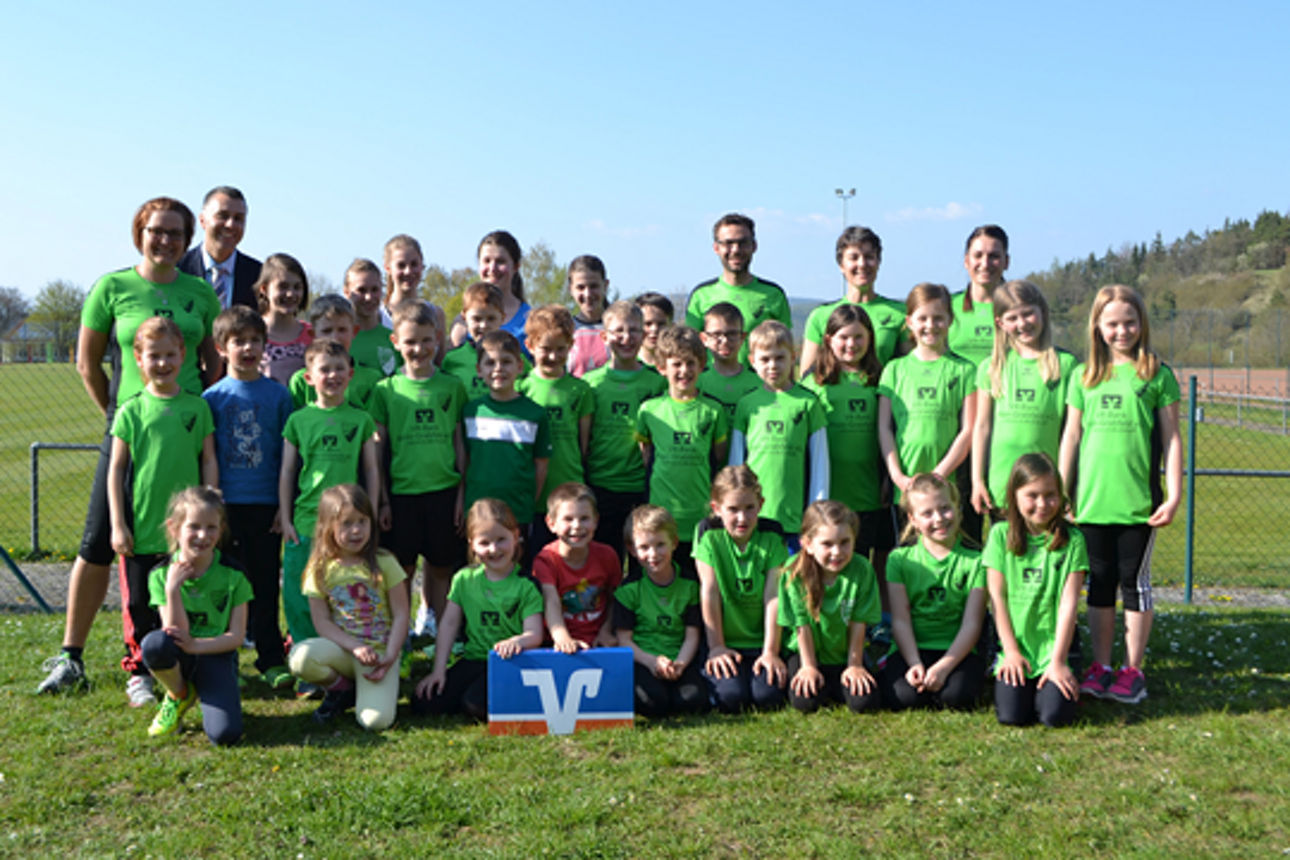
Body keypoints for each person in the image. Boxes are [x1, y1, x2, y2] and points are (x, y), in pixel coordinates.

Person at [38, 196, 221, 697]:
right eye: (156, 230)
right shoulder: (111, 287)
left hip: (183, 429)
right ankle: (71, 655)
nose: (165, 240)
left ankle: (182, 651)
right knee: (100, 542)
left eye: (176, 233)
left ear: (188, 241)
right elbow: (86, 363)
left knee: (186, 542)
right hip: (130, 429)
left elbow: (212, 363)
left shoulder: (200, 294)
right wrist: (116, 415)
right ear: (139, 232)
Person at [1059, 285, 1182, 705]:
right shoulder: (1083, 376)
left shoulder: (1157, 374)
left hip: (1138, 508)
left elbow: (1172, 440)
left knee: (1135, 585)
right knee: (1099, 586)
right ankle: (1101, 667)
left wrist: (1175, 494)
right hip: (1091, 505)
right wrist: (1062, 493)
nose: (1121, 330)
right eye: (1112, 323)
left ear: (1141, 323)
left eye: (1129, 322)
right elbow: (1071, 437)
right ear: (1097, 326)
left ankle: (1132, 670)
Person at [109, 317, 219, 706]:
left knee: (183, 600)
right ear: (138, 358)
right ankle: (140, 672)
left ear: (183, 355)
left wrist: (213, 501)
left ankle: (185, 666)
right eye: (153, 356)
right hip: (143, 530)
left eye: (170, 354)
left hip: (186, 535)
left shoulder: (196, 407)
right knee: (140, 604)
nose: (162, 363)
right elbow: (117, 469)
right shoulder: (131, 410)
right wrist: (118, 524)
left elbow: (207, 459)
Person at [279, 339, 382, 685]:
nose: (333, 375)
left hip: (348, 526)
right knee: (300, 594)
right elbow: (288, 472)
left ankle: (346, 661)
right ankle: (309, 669)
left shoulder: (360, 420)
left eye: (339, 369)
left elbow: (370, 470)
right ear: (309, 377)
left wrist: (374, 510)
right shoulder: (298, 420)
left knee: (343, 593)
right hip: (307, 522)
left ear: (350, 374)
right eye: (324, 369)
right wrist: (285, 516)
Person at [202, 306, 293, 688]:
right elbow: (207, 457)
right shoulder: (213, 398)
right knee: (226, 586)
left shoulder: (279, 396)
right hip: (226, 509)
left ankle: (270, 658)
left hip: (266, 507)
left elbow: (287, 458)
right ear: (222, 348)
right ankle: (225, 661)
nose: (248, 348)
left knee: (265, 583)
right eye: (239, 341)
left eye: (256, 340)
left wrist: (282, 508)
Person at [369, 300, 467, 640]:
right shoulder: (386, 390)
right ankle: (402, 635)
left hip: (443, 492)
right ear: (395, 341)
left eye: (426, 341)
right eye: (410, 341)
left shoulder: (452, 387)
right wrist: (381, 500)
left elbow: (459, 444)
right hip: (402, 495)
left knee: (441, 568)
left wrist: (461, 495)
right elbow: (379, 451)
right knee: (402, 570)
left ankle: (442, 636)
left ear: (438, 339)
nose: (419, 349)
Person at [288, 485, 410, 730]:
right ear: (327, 527)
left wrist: (389, 656)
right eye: (346, 524)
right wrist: (355, 647)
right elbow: (321, 621)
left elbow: (401, 614)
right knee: (299, 658)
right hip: (344, 651)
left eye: (362, 521)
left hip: (379, 655)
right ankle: (341, 689)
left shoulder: (385, 561)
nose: (356, 530)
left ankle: (372, 687)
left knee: (374, 722)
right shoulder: (319, 569)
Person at [801, 304, 894, 616]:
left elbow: (888, 433)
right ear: (828, 339)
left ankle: (874, 625)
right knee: (828, 564)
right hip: (828, 497)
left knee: (870, 566)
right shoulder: (813, 382)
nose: (851, 344)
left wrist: (885, 479)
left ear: (869, 339)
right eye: (843, 337)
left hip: (868, 493)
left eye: (859, 337)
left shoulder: (879, 379)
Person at [413, 498, 544, 719]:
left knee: (474, 705)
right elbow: (449, 623)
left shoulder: (526, 585)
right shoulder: (464, 579)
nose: (494, 549)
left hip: (510, 661)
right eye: (485, 543)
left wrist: (516, 642)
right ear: (472, 543)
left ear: (515, 535)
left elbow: (535, 634)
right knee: (423, 702)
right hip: (474, 658)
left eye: (501, 539)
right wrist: (439, 671)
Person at [141, 485, 250, 743]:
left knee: (226, 735)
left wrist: (196, 644)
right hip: (180, 654)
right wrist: (172, 589)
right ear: (174, 528)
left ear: (221, 529)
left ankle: (217, 688)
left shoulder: (234, 575)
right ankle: (179, 693)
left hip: (216, 652)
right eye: (193, 527)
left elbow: (236, 637)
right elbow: (174, 634)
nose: (203, 535)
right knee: (155, 645)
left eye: (211, 527)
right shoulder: (159, 574)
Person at [985, 454, 1086, 728]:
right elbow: (997, 600)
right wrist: (1010, 652)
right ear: (1014, 495)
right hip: (1015, 646)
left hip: (1053, 649)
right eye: (1032, 495)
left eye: (1050, 495)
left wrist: (1058, 661)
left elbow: (1068, 604)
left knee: (1054, 716)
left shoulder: (1073, 540)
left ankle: (1062, 676)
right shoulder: (999, 536)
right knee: (1011, 716)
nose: (1042, 504)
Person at [879, 473, 987, 711]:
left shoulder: (977, 560)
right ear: (913, 519)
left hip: (956, 649)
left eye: (945, 508)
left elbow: (972, 624)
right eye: (927, 513)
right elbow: (900, 620)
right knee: (904, 697)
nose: (939, 519)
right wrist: (914, 663)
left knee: (956, 697)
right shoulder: (899, 560)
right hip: (913, 648)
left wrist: (943, 668)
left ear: (958, 509)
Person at [970, 280, 1076, 520]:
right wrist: (978, 480)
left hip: (1045, 492)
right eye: (1013, 318)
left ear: (1042, 312)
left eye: (1028, 314)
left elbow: (1071, 432)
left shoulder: (1066, 366)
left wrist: (1064, 488)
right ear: (1000, 323)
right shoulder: (991, 367)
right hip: (1002, 487)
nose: (1023, 323)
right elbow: (982, 427)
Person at [693, 465, 788, 713]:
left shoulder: (772, 536)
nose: (742, 518)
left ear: (761, 504)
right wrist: (716, 647)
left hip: (760, 640)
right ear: (716, 509)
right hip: (725, 639)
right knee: (731, 698)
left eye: (749, 508)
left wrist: (770, 651)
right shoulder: (708, 535)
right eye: (733, 509)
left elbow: (773, 596)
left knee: (767, 698)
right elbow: (710, 591)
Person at [634, 324, 729, 570]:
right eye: (676, 364)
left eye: (690, 363)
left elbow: (718, 458)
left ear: (701, 364)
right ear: (662, 367)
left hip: (700, 517)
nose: (684, 370)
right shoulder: (649, 410)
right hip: (661, 518)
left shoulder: (713, 411)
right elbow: (646, 456)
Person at [878, 284, 977, 508]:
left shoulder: (965, 370)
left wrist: (939, 474)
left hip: (946, 485)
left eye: (938, 318)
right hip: (905, 488)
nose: (930, 326)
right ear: (909, 322)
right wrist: (897, 477)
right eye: (922, 318)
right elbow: (884, 427)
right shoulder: (894, 370)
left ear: (950, 319)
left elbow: (969, 429)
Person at [778, 500, 882, 714]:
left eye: (845, 542)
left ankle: (838, 682)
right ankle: (823, 681)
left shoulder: (862, 569)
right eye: (827, 544)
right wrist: (808, 667)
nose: (837, 552)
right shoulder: (794, 573)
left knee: (864, 704)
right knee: (804, 702)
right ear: (807, 544)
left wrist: (854, 664)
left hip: (845, 653)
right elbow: (801, 625)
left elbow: (858, 621)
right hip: (808, 652)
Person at [583, 300, 667, 560]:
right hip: (601, 484)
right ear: (604, 336)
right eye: (619, 331)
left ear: (644, 335)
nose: (627, 338)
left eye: (633, 330)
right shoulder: (591, 384)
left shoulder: (656, 383)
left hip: (639, 486)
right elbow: (583, 439)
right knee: (607, 559)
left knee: (644, 559)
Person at [730, 320, 828, 539]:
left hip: (795, 521)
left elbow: (820, 464)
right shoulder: (747, 404)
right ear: (752, 361)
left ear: (793, 357)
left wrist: (817, 512)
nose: (772, 366)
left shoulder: (808, 403)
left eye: (780, 358)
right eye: (765, 359)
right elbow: (736, 464)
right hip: (752, 518)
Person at [615, 505, 707, 717]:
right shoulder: (628, 589)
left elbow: (692, 635)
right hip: (644, 660)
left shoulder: (690, 585)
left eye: (660, 545)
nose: (653, 554)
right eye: (644, 547)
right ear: (632, 549)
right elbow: (624, 640)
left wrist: (681, 664)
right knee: (652, 703)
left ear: (674, 543)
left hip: (678, 658)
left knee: (693, 701)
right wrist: (652, 661)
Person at [461, 331, 551, 541]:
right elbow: (464, 462)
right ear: (479, 370)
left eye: (506, 362)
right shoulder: (470, 411)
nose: (498, 369)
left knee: (516, 567)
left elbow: (541, 466)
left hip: (518, 511)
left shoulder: (535, 413)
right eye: (490, 363)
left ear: (520, 367)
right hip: (477, 510)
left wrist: (528, 502)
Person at [519, 305, 594, 528]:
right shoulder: (521, 387)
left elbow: (583, 446)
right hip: (532, 493)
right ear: (530, 346)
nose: (553, 356)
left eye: (561, 349)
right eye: (546, 348)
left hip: (569, 490)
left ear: (571, 346)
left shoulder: (581, 390)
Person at [684, 213, 791, 365]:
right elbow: (689, 350)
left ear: (754, 246)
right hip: (709, 386)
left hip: (760, 386)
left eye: (743, 243)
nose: (735, 250)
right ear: (716, 247)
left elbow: (784, 350)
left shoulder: (773, 295)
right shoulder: (701, 295)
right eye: (728, 243)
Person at [800, 226, 907, 375]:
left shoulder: (900, 314)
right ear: (841, 265)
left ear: (878, 262)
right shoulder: (820, 316)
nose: (862, 264)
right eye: (854, 257)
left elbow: (910, 372)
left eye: (869, 257)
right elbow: (807, 377)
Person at [533, 482, 621, 652]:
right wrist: (563, 639)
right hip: (558, 645)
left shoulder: (608, 555)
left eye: (584, 518)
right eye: (568, 519)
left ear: (596, 521)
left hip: (600, 641)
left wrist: (606, 631)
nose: (577, 526)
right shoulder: (546, 560)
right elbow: (550, 601)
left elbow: (615, 599)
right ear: (551, 524)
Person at [287, 295, 383, 411]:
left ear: (354, 331)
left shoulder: (372, 379)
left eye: (342, 330)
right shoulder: (301, 381)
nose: (335, 337)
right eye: (327, 331)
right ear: (312, 334)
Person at [178, 186, 261, 311]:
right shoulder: (177, 269)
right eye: (223, 216)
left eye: (238, 218)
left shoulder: (259, 276)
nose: (230, 225)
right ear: (202, 221)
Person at [449, 230, 531, 348]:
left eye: (500, 262)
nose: (492, 268)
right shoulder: (462, 321)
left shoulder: (530, 320)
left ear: (516, 266)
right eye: (487, 261)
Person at [949, 225, 1011, 367]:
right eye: (978, 255)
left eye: (994, 256)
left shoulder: (1019, 311)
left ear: (1006, 262)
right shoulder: (946, 306)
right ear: (966, 261)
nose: (985, 264)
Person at [696, 302, 761, 424]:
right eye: (716, 334)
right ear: (704, 339)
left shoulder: (758, 381)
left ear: (742, 338)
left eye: (731, 334)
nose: (724, 341)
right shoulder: (697, 380)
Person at [256, 253, 312, 387]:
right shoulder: (250, 333)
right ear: (264, 289)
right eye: (283, 287)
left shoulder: (313, 335)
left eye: (297, 287)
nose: (291, 294)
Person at [344, 257, 400, 376]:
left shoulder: (394, 340)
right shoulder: (341, 340)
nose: (369, 297)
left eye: (375, 289)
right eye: (361, 290)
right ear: (347, 292)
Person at [566, 254, 610, 377]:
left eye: (593, 286)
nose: (588, 294)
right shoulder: (566, 330)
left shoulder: (620, 329)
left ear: (605, 286)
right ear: (571, 289)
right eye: (581, 287)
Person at [634, 292, 673, 370]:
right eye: (648, 324)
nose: (654, 329)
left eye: (661, 324)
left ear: (672, 326)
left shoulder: (678, 367)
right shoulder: (625, 365)